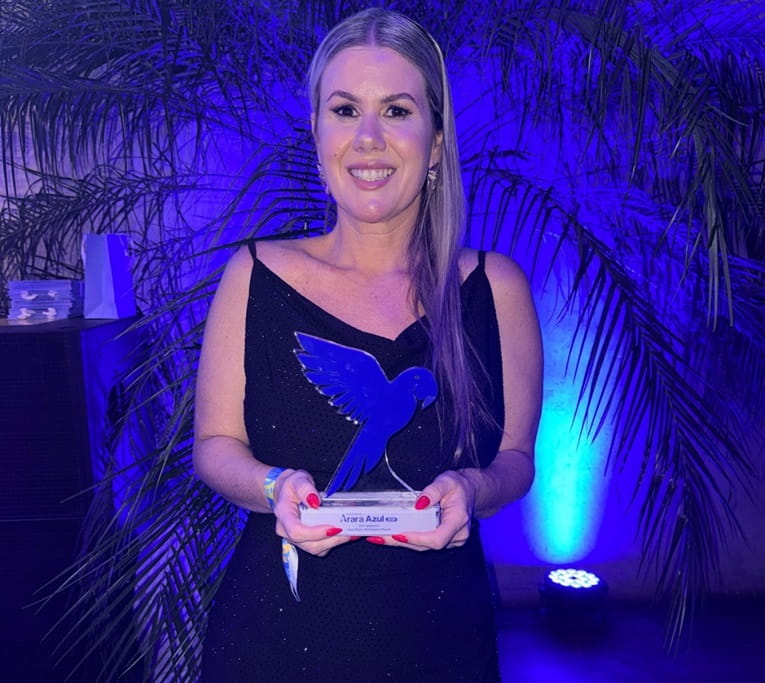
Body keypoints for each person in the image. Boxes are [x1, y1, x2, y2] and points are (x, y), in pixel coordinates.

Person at [193, 7, 542, 682]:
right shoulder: (255, 273)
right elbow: (214, 445)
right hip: (273, 642)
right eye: (346, 110)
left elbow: (516, 462)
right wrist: (275, 486)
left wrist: (471, 488)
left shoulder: (494, 288)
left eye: (397, 110)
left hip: (443, 646)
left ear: (435, 141)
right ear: (318, 132)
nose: (369, 138)